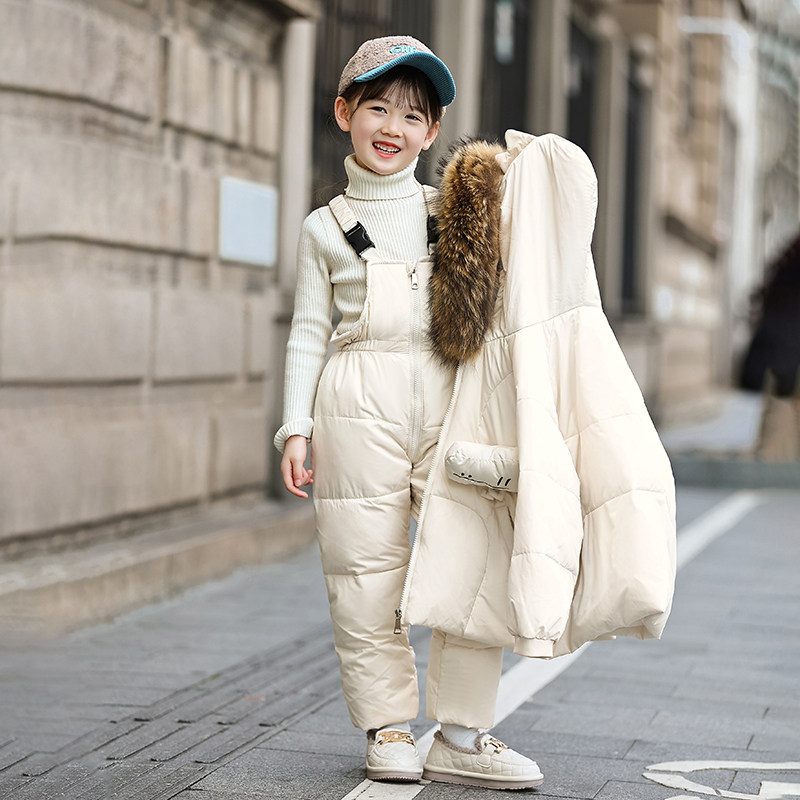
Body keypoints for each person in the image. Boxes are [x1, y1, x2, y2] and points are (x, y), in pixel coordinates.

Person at [274, 35, 543, 790]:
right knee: (364, 569)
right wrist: (296, 426)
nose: (393, 125)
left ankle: (461, 731)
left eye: (414, 114)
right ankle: (387, 726)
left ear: (433, 131)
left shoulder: (452, 211)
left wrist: (525, 165)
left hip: (449, 395)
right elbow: (305, 334)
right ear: (344, 113)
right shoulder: (325, 228)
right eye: (377, 107)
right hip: (355, 402)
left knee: (471, 552)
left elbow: (528, 248)